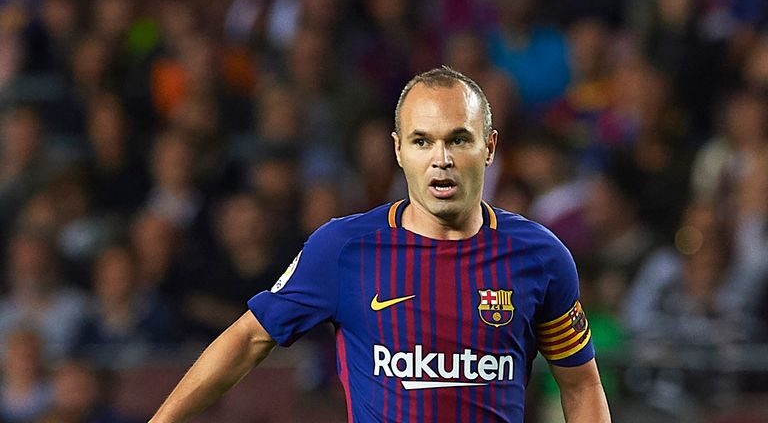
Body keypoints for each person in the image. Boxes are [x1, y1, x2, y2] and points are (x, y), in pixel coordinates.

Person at [150, 66, 611, 422]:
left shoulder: (541, 256)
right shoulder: (344, 248)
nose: (441, 159)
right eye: (422, 141)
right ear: (398, 151)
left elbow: (581, 385)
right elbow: (250, 337)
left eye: (459, 139)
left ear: (489, 148)